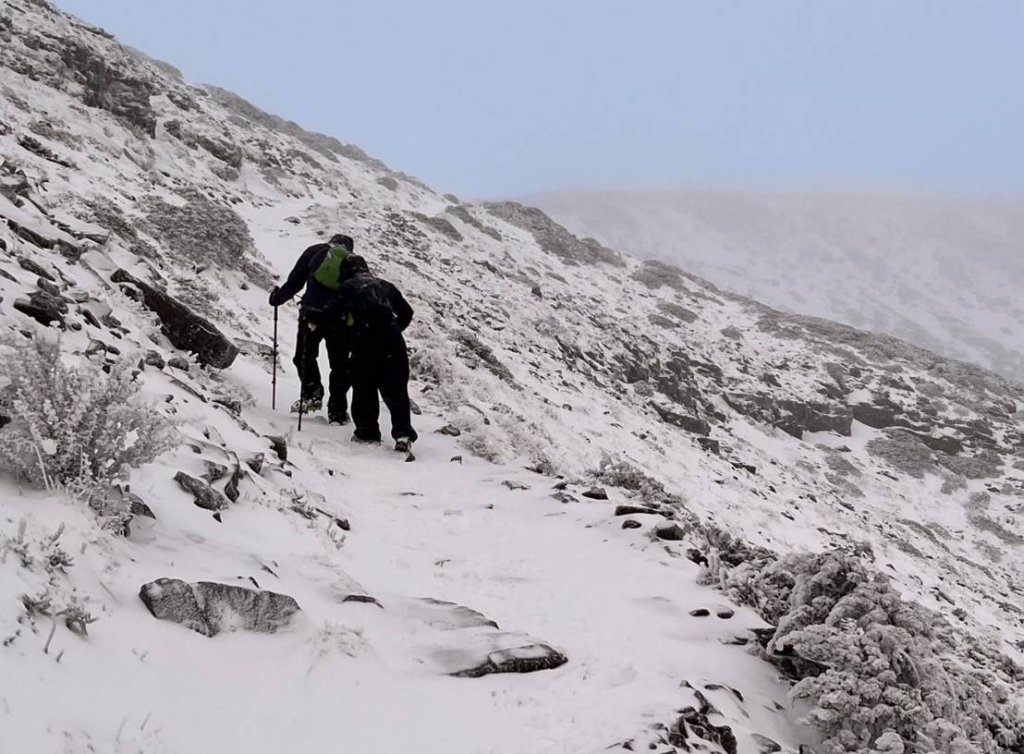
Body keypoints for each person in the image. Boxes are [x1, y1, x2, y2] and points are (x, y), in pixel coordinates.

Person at [268, 233, 354, 424]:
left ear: (330, 243)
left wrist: (277, 298)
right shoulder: (353, 262)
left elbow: (295, 282)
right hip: (339, 321)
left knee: (304, 356)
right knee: (340, 365)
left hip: (312, 315)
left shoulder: (314, 251)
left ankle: (312, 394)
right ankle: (338, 412)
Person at [337, 255, 418, 451]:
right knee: (396, 391)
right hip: (393, 345)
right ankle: (403, 435)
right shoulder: (385, 285)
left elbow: (335, 316)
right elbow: (407, 312)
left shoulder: (347, 288)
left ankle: (367, 432)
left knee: (364, 388)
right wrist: (393, 330)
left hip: (364, 344)